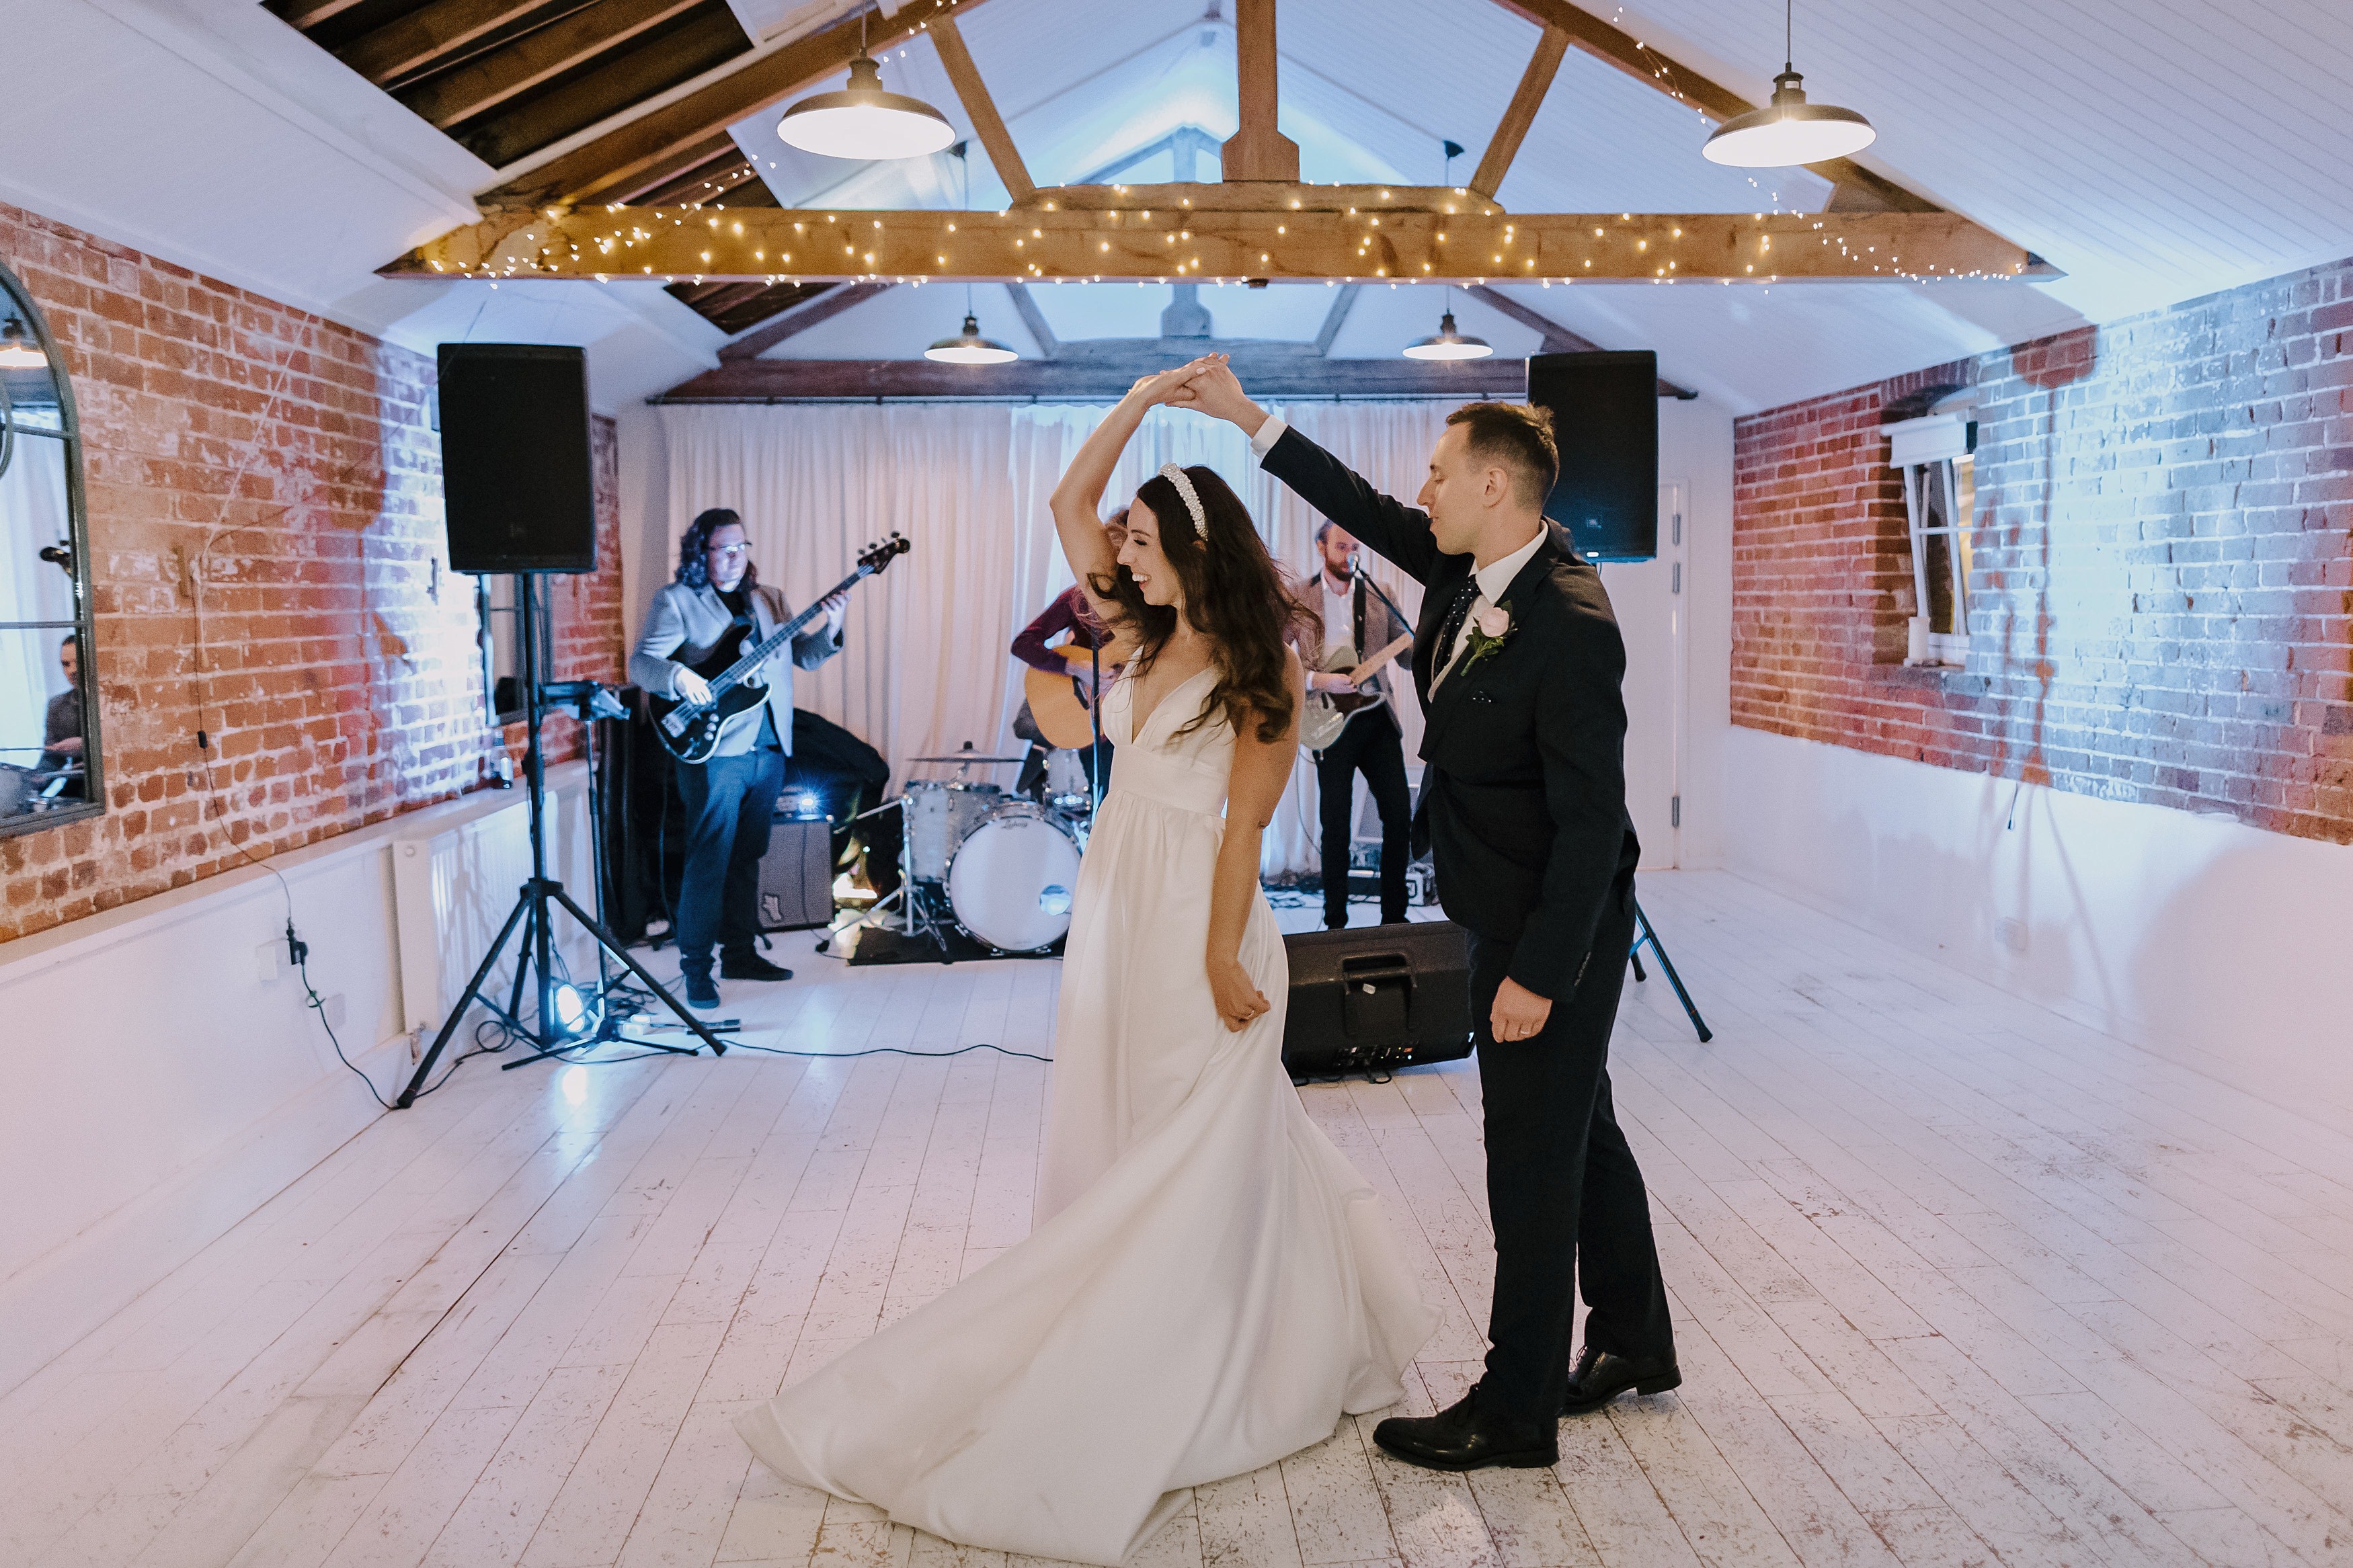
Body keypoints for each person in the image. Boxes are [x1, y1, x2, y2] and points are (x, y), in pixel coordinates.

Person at [734, 362, 1434, 1565]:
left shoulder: (1259, 673)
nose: (1125, 554)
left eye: (1149, 541)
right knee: (1130, 1127)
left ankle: (1194, 1340)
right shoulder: (1139, 626)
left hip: (1198, 915)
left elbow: (1244, 830)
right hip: (1117, 903)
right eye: (1131, 541)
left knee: (1195, 1135)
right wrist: (1141, 404)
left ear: (1197, 552)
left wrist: (1221, 952)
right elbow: (1070, 501)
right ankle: (1144, 1300)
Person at [1183, 356, 1676, 1471]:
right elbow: (1357, 501)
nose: (1426, 489)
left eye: (1442, 471)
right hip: (1498, 901)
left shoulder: (1571, 619)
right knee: (1580, 1130)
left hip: (1557, 927)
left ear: (1495, 486)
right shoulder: (1463, 571)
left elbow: (1594, 825)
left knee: (1531, 1160)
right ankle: (1636, 1337)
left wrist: (1541, 973)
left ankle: (1514, 1410)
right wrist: (1249, 418)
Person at [629, 507, 847, 1010]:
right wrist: (679, 678)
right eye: (722, 549)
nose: (733, 558)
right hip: (713, 749)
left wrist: (834, 625)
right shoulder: (678, 601)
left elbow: (806, 656)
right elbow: (643, 664)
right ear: (699, 552)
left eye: (740, 548)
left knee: (749, 853)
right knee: (709, 857)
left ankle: (741, 952)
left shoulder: (767, 598)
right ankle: (696, 970)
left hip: (769, 745)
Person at [1302, 521, 1414, 927]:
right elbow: (1276, 657)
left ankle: (1394, 919)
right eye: (1341, 546)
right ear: (1321, 547)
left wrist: (1428, 641)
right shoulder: (1301, 595)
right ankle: (1335, 922)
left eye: (1354, 547)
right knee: (1335, 822)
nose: (1349, 554)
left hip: (1377, 715)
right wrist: (1317, 680)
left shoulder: (1381, 594)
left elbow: (1405, 653)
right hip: (1329, 717)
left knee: (1399, 815)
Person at [1008, 512, 1126, 801]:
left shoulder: (1152, 602)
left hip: (1137, 722)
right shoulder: (1078, 598)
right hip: (1096, 727)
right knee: (1108, 805)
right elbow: (1023, 644)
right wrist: (1077, 668)